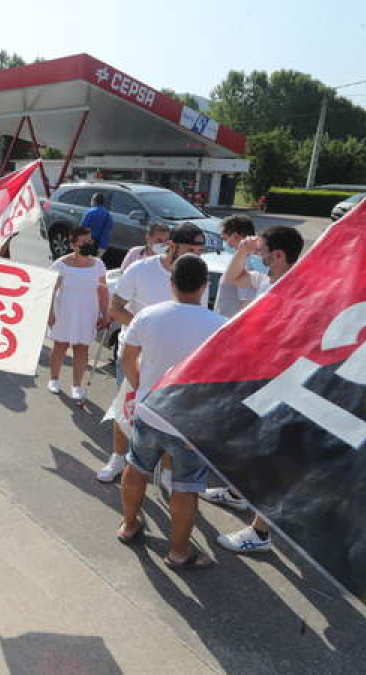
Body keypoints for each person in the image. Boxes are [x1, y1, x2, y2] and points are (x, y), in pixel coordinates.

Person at [115, 254, 226, 570]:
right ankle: (179, 553)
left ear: (171, 282)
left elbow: (127, 359)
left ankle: (128, 524)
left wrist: (142, 388)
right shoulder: (220, 327)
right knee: (185, 485)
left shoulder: (148, 316)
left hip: (150, 411)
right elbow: (221, 382)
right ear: (205, 286)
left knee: (136, 468)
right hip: (190, 420)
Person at [206, 225, 305, 554]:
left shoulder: (301, 289)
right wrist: (244, 251)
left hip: (283, 384)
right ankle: (237, 494)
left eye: (262, 252)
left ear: (277, 256)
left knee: (271, 456)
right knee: (247, 446)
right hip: (256, 376)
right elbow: (232, 279)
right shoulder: (266, 282)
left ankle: (261, 533)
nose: (258, 257)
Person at [100, 224, 207, 483]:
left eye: (200, 250)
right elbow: (115, 308)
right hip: (134, 352)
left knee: (170, 416)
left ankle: (168, 472)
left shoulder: (196, 275)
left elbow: (196, 314)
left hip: (174, 359)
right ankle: (117, 458)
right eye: (191, 249)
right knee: (125, 406)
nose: (196, 254)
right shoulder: (141, 269)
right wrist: (146, 328)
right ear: (172, 246)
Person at [46, 227, 108, 402]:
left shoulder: (98, 264)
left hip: (87, 312)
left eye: (90, 241)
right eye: (84, 242)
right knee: (60, 346)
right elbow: (50, 291)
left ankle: (76, 386)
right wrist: (49, 314)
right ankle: (54, 379)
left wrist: (105, 313)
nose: (89, 244)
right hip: (64, 311)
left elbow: (103, 290)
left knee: (82, 348)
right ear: (73, 245)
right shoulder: (60, 265)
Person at [213, 215, 258, 318]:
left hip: (228, 324)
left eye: (225, 239)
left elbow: (247, 303)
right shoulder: (247, 261)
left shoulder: (245, 264)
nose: (225, 244)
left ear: (235, 237)